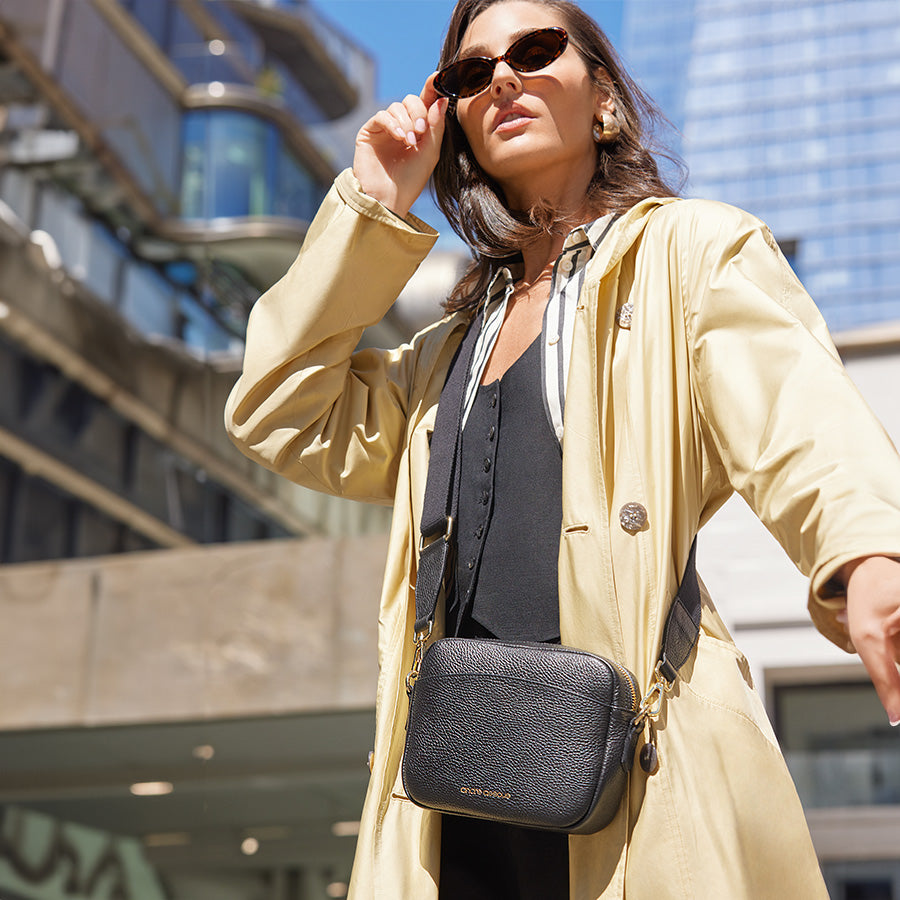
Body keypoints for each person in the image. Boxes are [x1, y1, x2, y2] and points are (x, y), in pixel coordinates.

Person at [224, 1, 900, 897]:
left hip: (634, 771)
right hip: (453, 791)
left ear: (604, 101)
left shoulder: (690, 252)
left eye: (536, 52)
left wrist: (867, 552)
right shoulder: (444, 348)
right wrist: (374, 206)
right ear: (457, 121)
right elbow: (278, 410)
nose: (504, 77)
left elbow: (796, 413)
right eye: (472, 73)